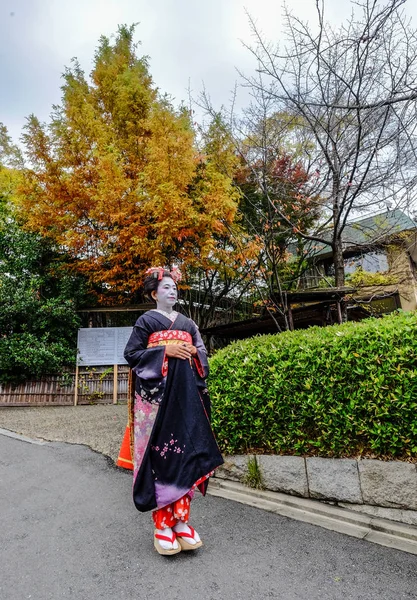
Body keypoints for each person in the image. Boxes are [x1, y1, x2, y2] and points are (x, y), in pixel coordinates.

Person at [123, 266, 224, 556]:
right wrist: (164, 351)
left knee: (187, 455)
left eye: (175, 288)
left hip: (187, 398)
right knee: (162, 457)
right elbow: (132, 354)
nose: (172, 291)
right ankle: (162, 526)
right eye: (166, 287)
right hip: (158, 402)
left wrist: (194, 352)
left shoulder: (189, 324)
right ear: (154, 293)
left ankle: (181, 522)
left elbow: (203, 353)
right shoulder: (146, 320)